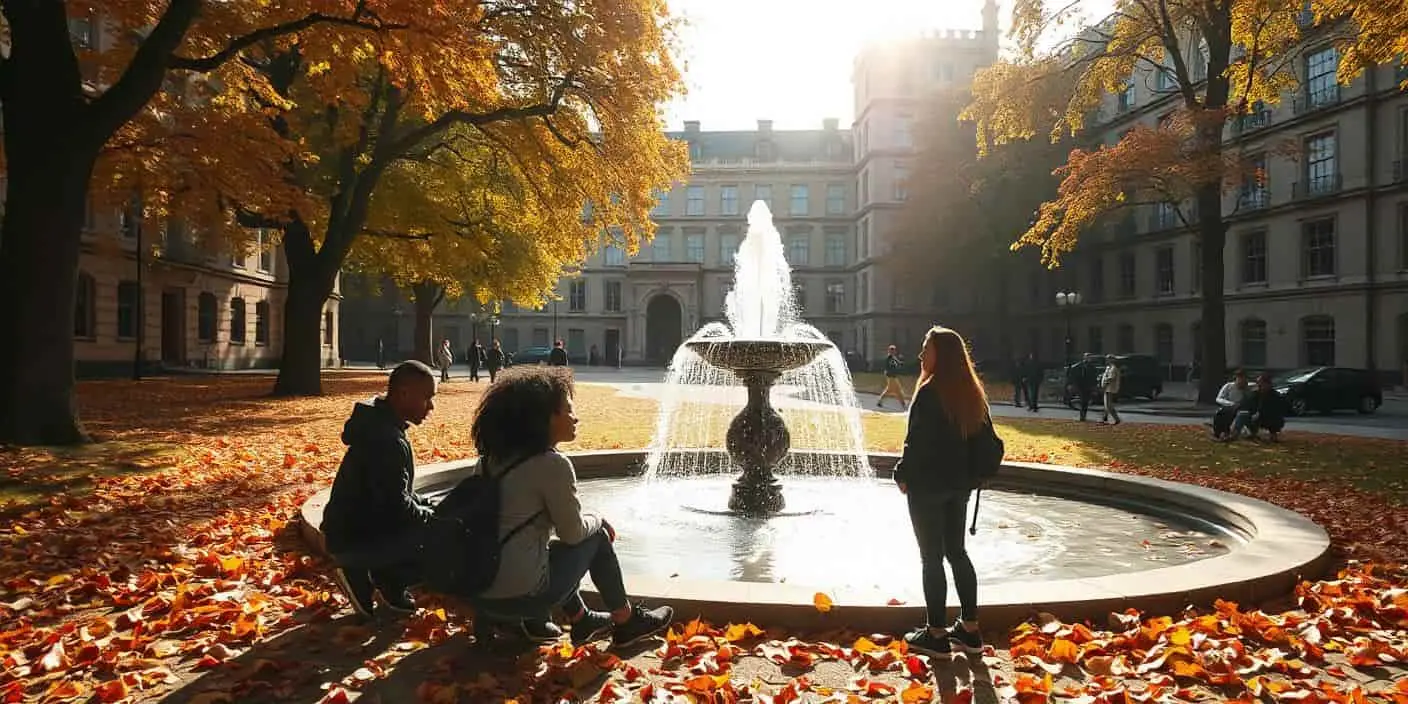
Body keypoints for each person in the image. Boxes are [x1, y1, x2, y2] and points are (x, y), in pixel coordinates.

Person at [473, 367, 674, 647]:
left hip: (479, 595)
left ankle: (582, 620)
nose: (575, 416)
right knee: (597, 538)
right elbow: (573, 533)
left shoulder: (487, 460)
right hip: (522, 599)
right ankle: (627, 622)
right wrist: (598, 519)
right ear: (545, 417)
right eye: (567, 409)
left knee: (545, 549)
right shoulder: (552, 464)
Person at [892, 327, 994, 659]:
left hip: (927, 486)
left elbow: (918, 443)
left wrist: (902, 474)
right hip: (959, 486)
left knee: (931, 558)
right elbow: (986, 440)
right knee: (958, 553)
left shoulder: (929, 391)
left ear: (941, 354)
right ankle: (970, 629)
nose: (921, 355)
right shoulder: (972, 392)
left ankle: (935, 634)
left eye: (926, 348)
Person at [322, 361, 439, 618]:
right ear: (404, 393)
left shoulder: (380, 427)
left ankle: (389, 585)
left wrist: (427, 504)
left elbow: (393, 495)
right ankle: (364, 571)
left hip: (350, 530)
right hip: (354, 538)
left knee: (429, 518)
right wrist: (435, 518)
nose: (431, 406)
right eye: (427, 397)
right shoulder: (387, 440)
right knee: (445, 536)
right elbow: (396, 507)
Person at [1243, 374, 1289, 441]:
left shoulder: (1276, 396)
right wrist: (1253, 413)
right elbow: (1248, 405)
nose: (1259, 385)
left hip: (1270, 416)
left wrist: (1260, 413)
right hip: (1255, 416)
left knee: (1275, 418)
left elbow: (1279, 409)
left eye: (1261, 384)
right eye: (1258, 383)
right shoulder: (1255, 394)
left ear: (1268, 384)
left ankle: (1273, 435)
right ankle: (1253, 433)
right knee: (1245, 415)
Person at [1214, 370, 1252, 441]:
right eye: (1240, 379)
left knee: (1242, 414)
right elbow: (1219, 399)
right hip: (1229, 407)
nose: (1242, 382)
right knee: (1221, 413)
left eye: (1244, 379)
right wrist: (1230, 404)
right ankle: (1221, 432)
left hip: (1241, 409)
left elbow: (1250, 401)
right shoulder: (1228, 386)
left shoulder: (1248, 389)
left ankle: (1234, 433)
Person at [877, 344, 909, 410]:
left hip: (893, 376)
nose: (893, 352)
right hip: (891, 376)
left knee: (896, 390)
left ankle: (880, 401)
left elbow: (899, 363)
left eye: (894, 350)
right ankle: (903, 404)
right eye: (892, 350)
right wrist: (897, 366)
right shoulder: (889, 358)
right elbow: (891, 367)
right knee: (893, 390)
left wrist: (901, 362)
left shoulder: (893, 358)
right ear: (889, 351)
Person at [1070, 357, 1097, 422]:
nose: (1089, 359)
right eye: (1087, 357)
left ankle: (1083, 416)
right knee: (1083, 401)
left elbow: (1094, 377)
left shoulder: (1092, 367)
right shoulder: (1079, 365)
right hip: (1081, 386)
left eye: (1090, 358)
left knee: (1085, 402)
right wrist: (1073, 384)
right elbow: (1074, 374)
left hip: (1088, 386)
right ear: (1084, 358)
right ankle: (1082, 416)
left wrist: (1094, 386)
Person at [1099, 355, 1122, 425]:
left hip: (1110, 388)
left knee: (1109, 405)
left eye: (1108, 359)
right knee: (1106, 405)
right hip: (1107, 388)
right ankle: (1104, 419)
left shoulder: (1113, 368)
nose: (1106, 360)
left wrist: (1104, 385)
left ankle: (1117, 419)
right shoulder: (1108, 367)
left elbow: (1110, 378)